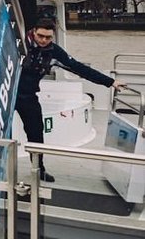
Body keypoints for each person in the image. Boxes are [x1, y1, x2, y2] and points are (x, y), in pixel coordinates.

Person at [16, 17, 125, 182]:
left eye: (48, 37)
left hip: (28, 97)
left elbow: (79, 69)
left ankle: (38, 170)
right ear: (33, 31)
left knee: (36, 134)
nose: (44, 40)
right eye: (41, 36)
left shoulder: (54, 52)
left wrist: (110, 82)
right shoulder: (18, 44)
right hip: (7, 94)